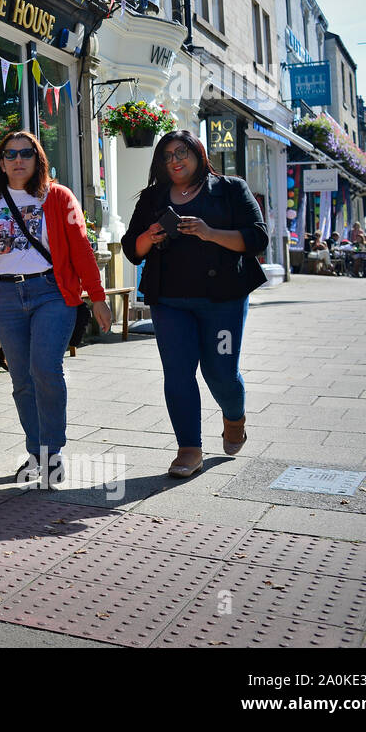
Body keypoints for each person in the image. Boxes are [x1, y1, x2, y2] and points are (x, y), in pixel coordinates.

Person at [0, 130, 110, 487]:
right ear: (1, 162)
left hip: (51, 293)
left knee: (45, 368)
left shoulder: (58, 197)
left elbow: (81, 249)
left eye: (26, 153)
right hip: (6, 298)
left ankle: (52, 451)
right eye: (10, 154)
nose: (18, 160)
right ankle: (35, 453)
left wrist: (97, 296)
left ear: (37, 158)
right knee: (21, 377)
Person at [120, 130, 268, 478]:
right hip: (170, 302)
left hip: (223, 302)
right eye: (168, 155)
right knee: (178, 372)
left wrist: (209, 232)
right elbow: (131, 248)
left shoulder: (231, 189)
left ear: (198, 153)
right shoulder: (153, 198)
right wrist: (149, 236)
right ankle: (189, 448)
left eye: (181, 152)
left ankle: (234, 418)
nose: (175, 160)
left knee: (220, 372)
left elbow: (257, 237)